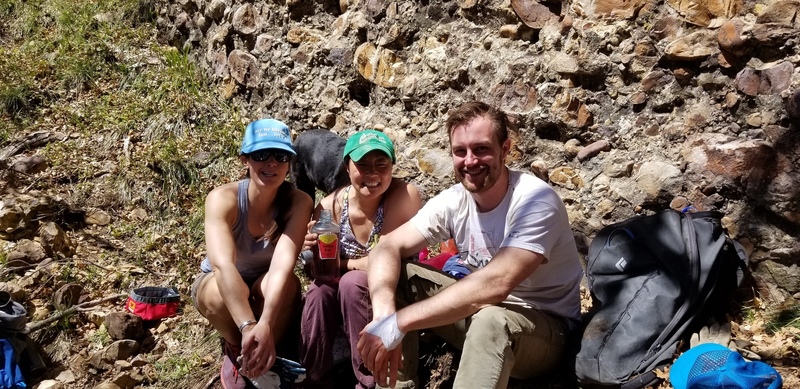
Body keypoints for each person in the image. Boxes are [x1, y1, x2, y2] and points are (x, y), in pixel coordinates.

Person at [357, 101, 584, 388]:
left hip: (545, 331)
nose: (470, 161)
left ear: (505, 149)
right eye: (459, 151)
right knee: (397, 276)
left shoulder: (535, 201)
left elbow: (496, 283)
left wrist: (399, 322)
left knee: (492, 320)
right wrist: (384, 315)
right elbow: (386, 247)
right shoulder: (454, 200)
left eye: (481, 149)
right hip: (480, 315)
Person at [191, 119, 313, 389]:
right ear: (245, 159)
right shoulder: (224, 199)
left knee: (288, 284)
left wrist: (266, 323)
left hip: (265, 280)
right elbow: (223, 267)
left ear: (289, 163)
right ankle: (237, 350)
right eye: (261, 155)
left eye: (280, 156)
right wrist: (247, 327)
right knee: (215, 292)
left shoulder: (299, 202)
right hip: (221, 283)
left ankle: (268, 354)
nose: (271, 163)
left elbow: (282, 266)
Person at [299, 130, 422, 388]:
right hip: (345, 296)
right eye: (362, 165)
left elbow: (383, 257)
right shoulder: (329, 206)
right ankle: (314, 378)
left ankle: (369, 380)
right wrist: (309, 252)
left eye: (381, 165)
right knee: (318, 292)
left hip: (393, 291)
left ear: (392, 167)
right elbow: (315, 270)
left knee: (351, 281)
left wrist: (342, 265)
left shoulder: (404, 196)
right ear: (347, 167)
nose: (373, 174)